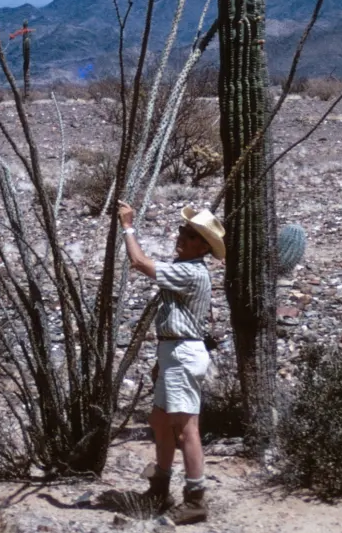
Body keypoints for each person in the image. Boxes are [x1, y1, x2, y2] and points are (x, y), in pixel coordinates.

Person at [118, 199, 225, 525]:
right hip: (173, 353)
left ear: (204, 247)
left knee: (186, 428)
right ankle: (160, 487)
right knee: (160, 421)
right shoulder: (186, 269)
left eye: (191, 235)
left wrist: (128, 225)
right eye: (183, 230)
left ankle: (195, 499)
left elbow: (139, 262)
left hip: (182, 353)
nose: (182, 237)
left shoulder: (190, 273)